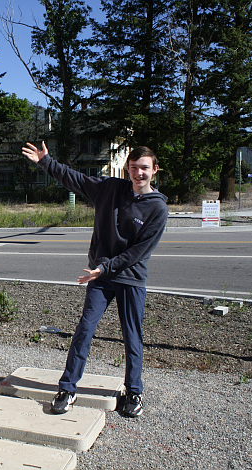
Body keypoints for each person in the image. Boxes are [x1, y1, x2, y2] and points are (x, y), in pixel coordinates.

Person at [21, 141, 168, 418]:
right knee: (84, 330)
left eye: (145, 169)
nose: (139, 174)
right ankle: (67, 388)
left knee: (132, 336)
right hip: (100, 276)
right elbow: (75, 179)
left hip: (130, 277)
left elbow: (138, 252)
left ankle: (134, 392)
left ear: (155, 170)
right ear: (128, 168)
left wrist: (104, 268)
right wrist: (46, 162)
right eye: (134, 168)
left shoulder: (158, 209)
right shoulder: (110, 189)